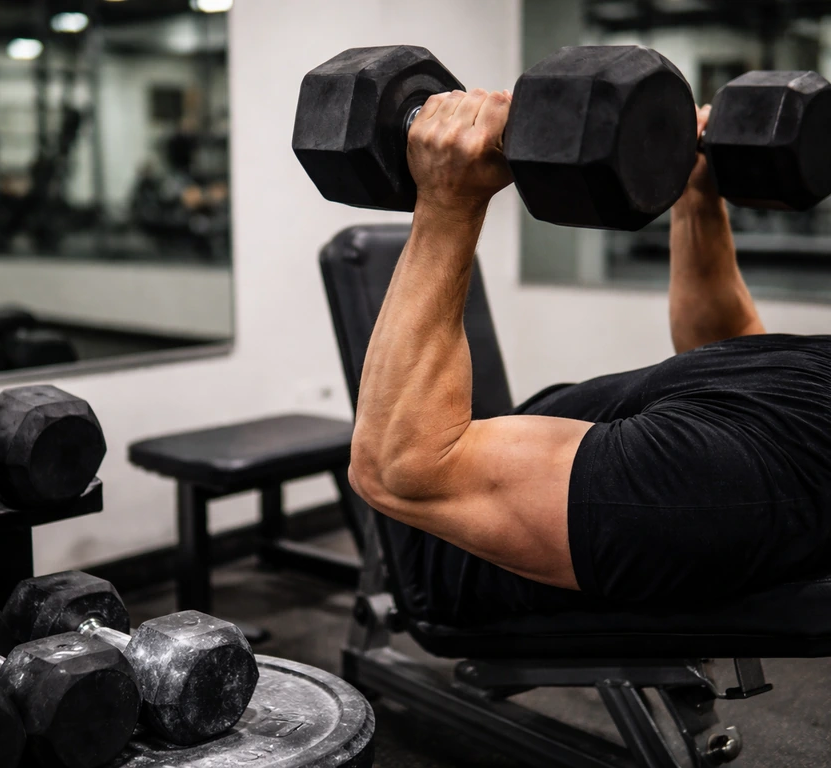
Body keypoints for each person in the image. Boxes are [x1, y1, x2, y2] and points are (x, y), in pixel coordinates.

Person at [348, 90, 831, 625]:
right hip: (474, 466)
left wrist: (448, 202)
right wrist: (698, 192)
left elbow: (397, 472)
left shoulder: (737, 484)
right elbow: (731, 349)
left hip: (440, 539)